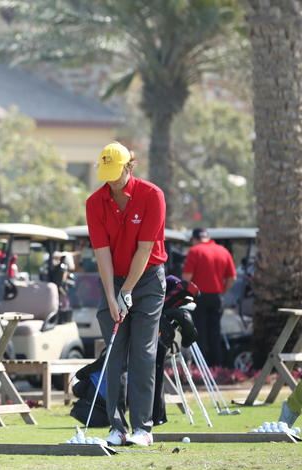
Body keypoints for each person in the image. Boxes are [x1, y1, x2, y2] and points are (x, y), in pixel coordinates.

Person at [86, 141, 167, 447]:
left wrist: (128, 290)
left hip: (147, 280)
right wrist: (111, 296)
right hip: (114, 278)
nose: (112, 181)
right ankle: (116, 428)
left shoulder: (152, 195)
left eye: (116, 174)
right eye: (106, 175)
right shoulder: (95, 202)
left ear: (129, 166)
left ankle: (143, 428)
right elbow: (102, 253)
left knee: (143, 352)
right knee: (114, 352)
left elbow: (145, 249)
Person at [181, 228, 236, 368]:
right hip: (217, 297)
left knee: (199, 332)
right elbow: (232, 278)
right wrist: (222, 291)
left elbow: (186, 278)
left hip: (198, 297)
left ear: (194, 239)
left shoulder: (195, 251)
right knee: (215, 332)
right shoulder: (223, 251)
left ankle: (201, 367)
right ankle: (217, 366)